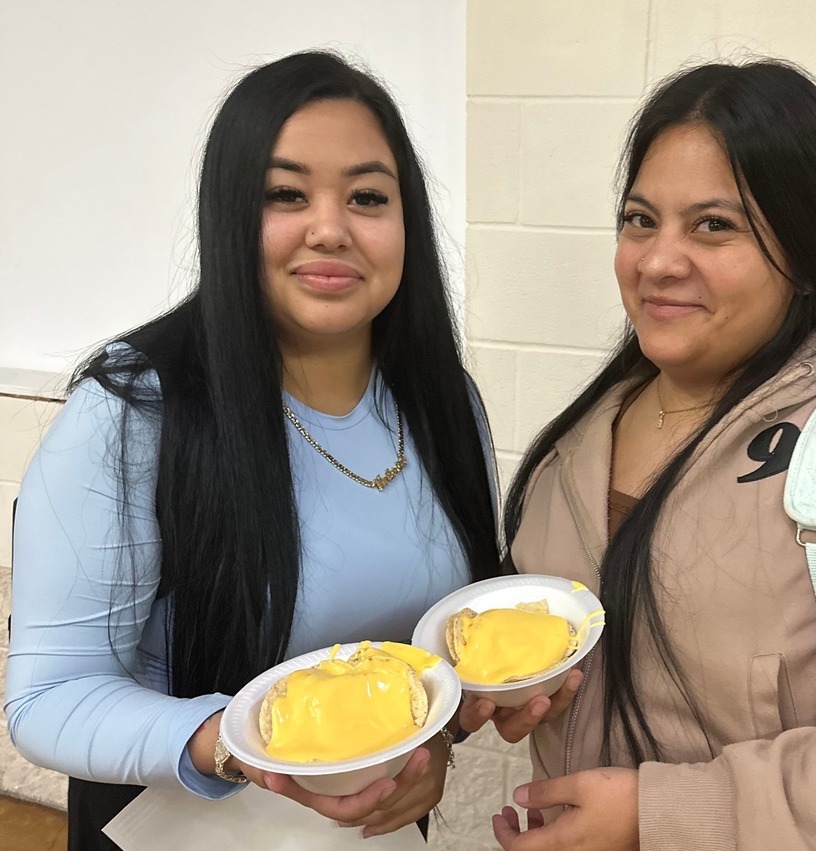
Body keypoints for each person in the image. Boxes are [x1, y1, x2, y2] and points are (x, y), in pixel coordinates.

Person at [461, 59, 816, 850]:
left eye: (714, 225)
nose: (657, 260)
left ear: (802, 246)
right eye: (639, 219)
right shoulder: (577, 448)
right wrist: (527, 696)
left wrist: (656, 816)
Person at [5, 50, 499, 849]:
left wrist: (437, 741)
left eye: (368, 196)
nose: (331, 227)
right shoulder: (134, 408)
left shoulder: (445, 402)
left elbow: (441, 651)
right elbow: (49, 699)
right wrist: (250, 749)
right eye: (285, 194)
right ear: (230, 214)